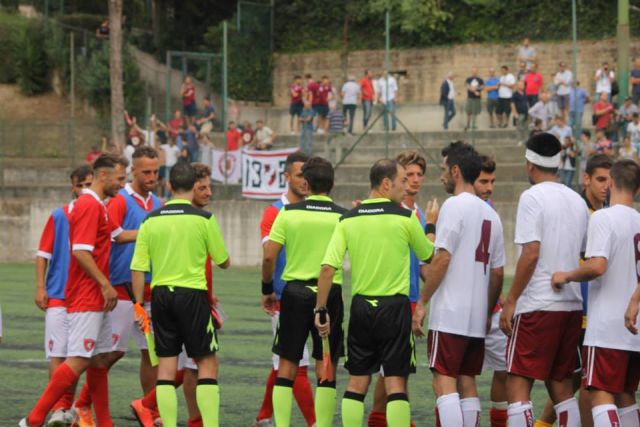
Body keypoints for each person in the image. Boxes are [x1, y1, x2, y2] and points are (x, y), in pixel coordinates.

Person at [20, 154, 137, 427]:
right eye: (120, 179)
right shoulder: (88, 205)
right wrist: (105, 284)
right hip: (87, 296)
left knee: (97, 361)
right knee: (79, 359)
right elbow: (81, 252)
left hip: (97, 296)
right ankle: (34, 419)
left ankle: (104, 422)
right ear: (104, 176)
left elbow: (117, 236)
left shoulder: (101, 205)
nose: (123, 184)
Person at [316, 159, 434, 427]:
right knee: (395, 382)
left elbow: (327, 268)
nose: (407, 186)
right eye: (403, 180)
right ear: (385, 183)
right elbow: (428, 255)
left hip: (361, 309)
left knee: (357, 381)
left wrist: (320, 309)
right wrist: (432, 228)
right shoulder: (406, 217)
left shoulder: (348, 218)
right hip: (394, 308)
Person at [129, 160, 230, 426]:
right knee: (207, 363)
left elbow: (138, 268)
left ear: (169, 185)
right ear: (194, 187)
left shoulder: (150, 219)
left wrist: (139, 305)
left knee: (166, 367)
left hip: (160, 297)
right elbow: (222, 260)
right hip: (193, 295)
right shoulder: (204, 218)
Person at [499, 133, 589, 427]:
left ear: (529, 164)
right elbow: (583, 252)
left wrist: (511, 300)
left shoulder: (532, 197)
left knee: (518, 383)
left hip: (538, 303)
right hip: (570, 306)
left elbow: (531, 252)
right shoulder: (576, 199)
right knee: (562, 386)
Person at [413, 142, 505, 427]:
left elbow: (441, 260)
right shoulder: (492, 214)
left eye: (443, 170)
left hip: (450, 313)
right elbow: (498, 274)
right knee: (467, 381)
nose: (441, 175)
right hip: (476, 316)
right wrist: (487, 310)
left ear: (455, 171)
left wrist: (422, 303)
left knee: (444, 381)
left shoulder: (453, 205)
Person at [552, 159, 640, 427]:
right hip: (634, 326)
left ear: (611, 182)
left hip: (607, 326)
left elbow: (597, 266)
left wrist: (565, 275)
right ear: (637, 190)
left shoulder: (604, 217)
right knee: (626, 395)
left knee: (600, 394)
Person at [261, 157, 347, 427]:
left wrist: (266, 289)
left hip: (295, 293)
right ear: (332, 184)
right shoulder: (343, 216)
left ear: (306, 183)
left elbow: (269, 257)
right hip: (329, 293)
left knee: (287, 364)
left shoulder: (287, 214)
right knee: (326, 363)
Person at [367, 150, 437, 427]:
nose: (415, 180)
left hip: (408, 297)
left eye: (419, 174)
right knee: (393, 370)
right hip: (391, 299)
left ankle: (384, 420)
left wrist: (426, 293)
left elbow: (421, 263)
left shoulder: (416, 213)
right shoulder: (394, 212)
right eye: (408, 174)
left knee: (393, 370)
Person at [255, 152, 316, 427]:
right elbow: (269, 255)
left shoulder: (314, 208)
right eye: (300, 175)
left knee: (283, 362)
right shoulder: (274, 212)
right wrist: (268, 289)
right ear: (287, 176)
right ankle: (316, 422)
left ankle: (263, 417)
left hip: (316, 298)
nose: (305, 181)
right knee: (297, 366)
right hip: (285, 300)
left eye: (308, 175)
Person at [34, 165, 93, 427]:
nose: (84, 190)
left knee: (78, 357)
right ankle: (59, 409)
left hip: (87, 298)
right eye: (80, 185)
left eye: (88, 184)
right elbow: (43, 254)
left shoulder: (98, 213)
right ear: (73, 187)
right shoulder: (59, 216)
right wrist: (40, 287)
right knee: (58, 355)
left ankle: (68, 408)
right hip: (59, 295)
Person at [471, 156, 511, 427]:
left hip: (491, 307)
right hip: (470, 309)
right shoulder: (460, 209)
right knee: (460, 375)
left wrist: (499, 298)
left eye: (492, 181)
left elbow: (494, 267)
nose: (489, 187)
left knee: (505, 370)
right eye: (483, 181)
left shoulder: (491, 209)